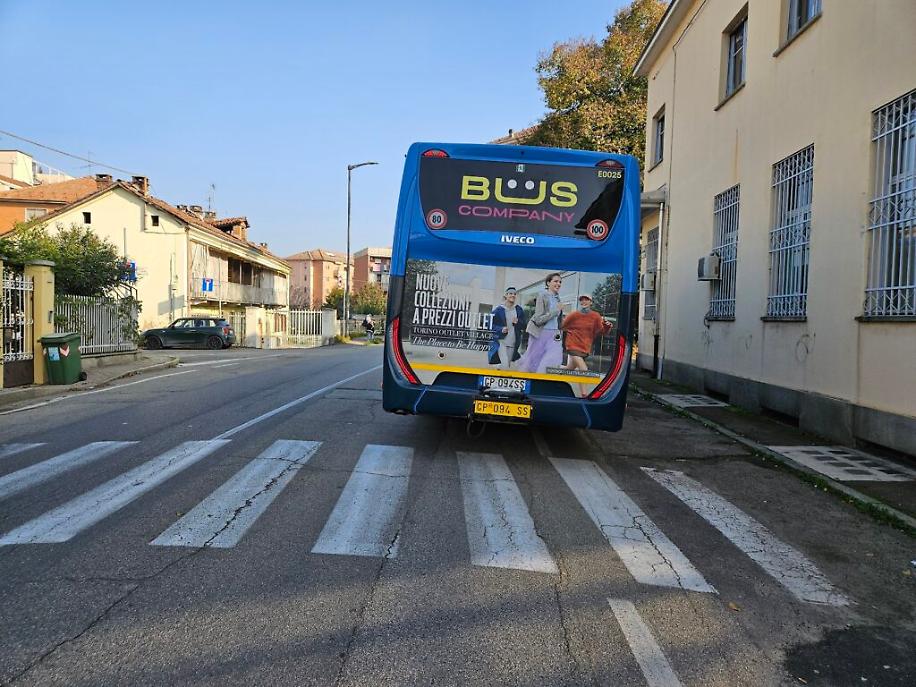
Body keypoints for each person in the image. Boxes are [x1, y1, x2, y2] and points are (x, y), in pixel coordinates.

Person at [561, 293, 613, 396]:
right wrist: (570, 331)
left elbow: (602, 331)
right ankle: (584, 394)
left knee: (569, 368)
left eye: (586, 300)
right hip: (572, 345)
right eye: (582, 300)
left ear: (591, 302)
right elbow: (562, 326)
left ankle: (552, 373)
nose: (584, 302)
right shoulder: (573, 315)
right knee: (583, 369)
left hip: (584, 347)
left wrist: (607, 327)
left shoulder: (595, 316)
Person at [518, 273, 565, 374]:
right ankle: (526, 381)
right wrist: (556, 311)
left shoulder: (558, 298)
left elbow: (557, 319)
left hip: (554, 334)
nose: (558, 284)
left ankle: (542, 380)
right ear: (548, 283)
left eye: (560, 282)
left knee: (553, 358)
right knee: (533, 361)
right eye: (555, 281)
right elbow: (538, 319)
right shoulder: (542, 296)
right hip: (540, 333)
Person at [488, 287, 527, 370]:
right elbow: (489, 324)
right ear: (506, 295)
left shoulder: (519, 310)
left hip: (513, 343)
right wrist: (500, 329)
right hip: (501, 342)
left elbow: (524, 326)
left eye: (514, 294)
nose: (513, 295)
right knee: (505, 365)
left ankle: (498, 373)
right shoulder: (498, 310)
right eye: (510, 293)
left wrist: (518, 322)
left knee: (506, 366)